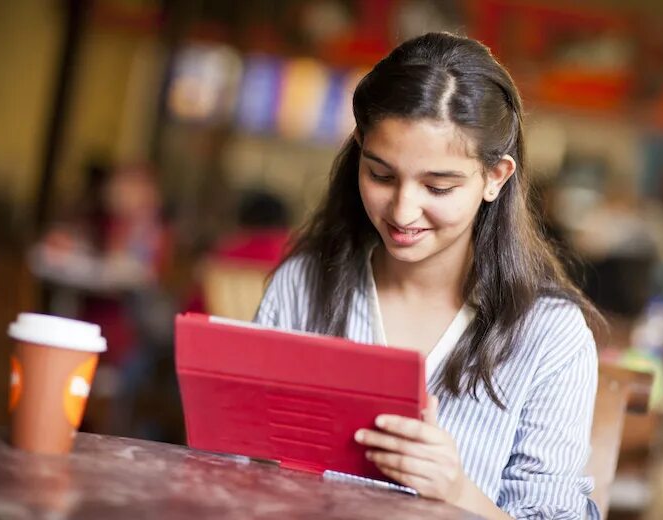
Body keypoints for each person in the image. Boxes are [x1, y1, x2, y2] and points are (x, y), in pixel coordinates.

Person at [254, 32, 601, 519]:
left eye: (438, 186)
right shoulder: (305, 285)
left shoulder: (548, 336)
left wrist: (457, 491)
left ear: (495, 178)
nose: (402, 209)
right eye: (381, 175)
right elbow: (242, 467)